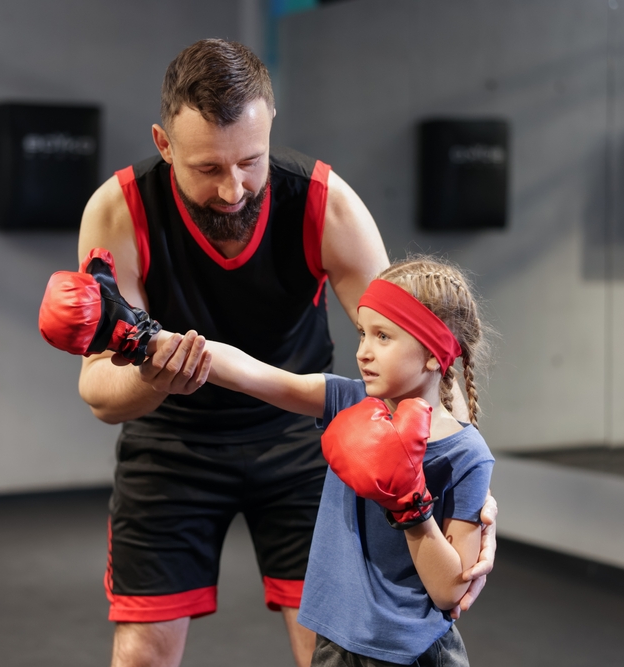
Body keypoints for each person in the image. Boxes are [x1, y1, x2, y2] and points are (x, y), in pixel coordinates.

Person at [71, 38, 497, 667]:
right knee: (143, 651)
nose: (233, 190)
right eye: (208, 169)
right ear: (164, 145)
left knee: (330, 635)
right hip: (171, 443)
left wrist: (468, 487)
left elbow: (419, 347)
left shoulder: (328, 205)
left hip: (304, 438)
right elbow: (100, 392)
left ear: (270, 124)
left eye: (250, 161)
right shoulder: (119, 210)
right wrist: (159, 379)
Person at [42, 253, 493, 666]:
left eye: (383, 336)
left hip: (413, 652)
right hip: (337, 644)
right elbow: (249, 373)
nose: (364, 351)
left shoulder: (465, 455)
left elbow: (451, 590)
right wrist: (143, 338)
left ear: (436, 353)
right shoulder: (349, 401)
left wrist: (409, 505)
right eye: (362, 333)